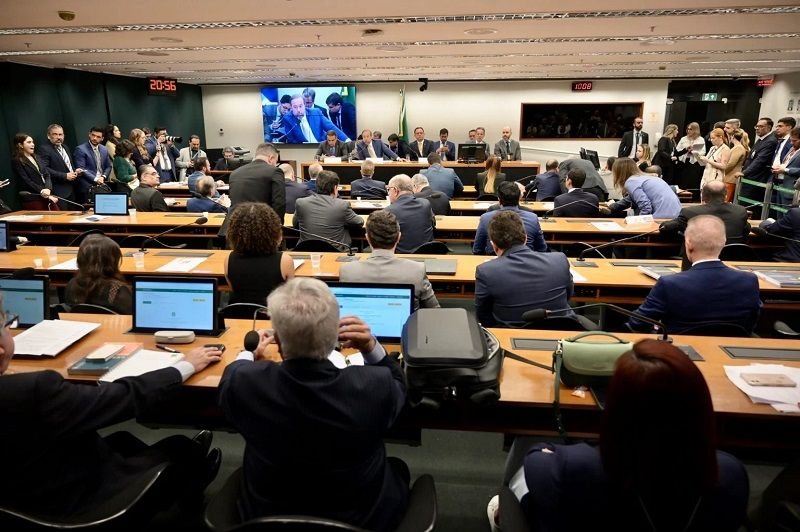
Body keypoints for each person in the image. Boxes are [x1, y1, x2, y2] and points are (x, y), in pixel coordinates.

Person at [0, 294, 224, 522]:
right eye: (8, 325)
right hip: (78, 503)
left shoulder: (22, 390)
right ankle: (191, 489)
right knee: (179, 446)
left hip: (18, 491)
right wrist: (183, 367)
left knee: (123, 440)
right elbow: (122, 397)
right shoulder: (33, 390)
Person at [218, 278, 410, 530]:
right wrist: (371, 348)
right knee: (399, 469)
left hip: (265, 515)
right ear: (336, 335)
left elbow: (234, 371)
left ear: (277, 338)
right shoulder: (375, 385)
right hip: (361, 519)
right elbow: (399, 383)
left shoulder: (245, 384)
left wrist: (249, 353)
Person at [499, 339, 748, 532]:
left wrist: (548, 450)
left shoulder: (565, 466)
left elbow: (533, 469)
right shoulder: (731, 473)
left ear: (615, 406)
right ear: (702, 408)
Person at [628, 215, 761, 333]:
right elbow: (751, 323)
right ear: (724, 242)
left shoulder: (669, 284)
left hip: (680, 354)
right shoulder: (749, 280)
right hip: (733, 352)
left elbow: (637, 323)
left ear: (688, 244)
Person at [475, 210, 572, 327]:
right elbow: (568, 295)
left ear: (493, 244)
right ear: (525, 238)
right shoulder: (560, 260)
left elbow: (483, 315)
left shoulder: (486, 271)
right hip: (562, 332)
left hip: (510, 337)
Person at [340, 210, 439, 310]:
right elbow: (435, 311)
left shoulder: (347, 271)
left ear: (367, 238)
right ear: (399, 237)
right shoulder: (417, 270)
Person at [225, 202, 294, 305]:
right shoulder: (284, 260)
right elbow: (290, 294)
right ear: (272, 230)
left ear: (234, 231)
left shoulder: (229, 259)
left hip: (238, 317)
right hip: (273, 315)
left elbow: (233, 289)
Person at [221, 142, 286, 238]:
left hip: (233, 229)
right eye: (275, 161)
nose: (275, 164)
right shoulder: (275, 171)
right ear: (271, 158)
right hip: (261, 229)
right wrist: (277, 227)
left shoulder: (235, 173)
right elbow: (279, 203)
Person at [661, 181, 750, 245]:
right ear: (726, 195)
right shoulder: (740, 211)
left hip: (699, 258)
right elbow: (746, 229)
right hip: (733, 257)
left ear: (703, 196)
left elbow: (668, 227)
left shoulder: (689, 212)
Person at [293, 170, 363, 251]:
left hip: (306, 249)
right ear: (335, 188)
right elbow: (359, 222)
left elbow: (295, 224)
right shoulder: (342, 205)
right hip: (335, 251)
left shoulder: (301, 203)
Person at [473, 181, 547, 255]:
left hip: (495, 262)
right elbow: (542, 249)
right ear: (519, 198)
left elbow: (477, 250)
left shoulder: (485, 218)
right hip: (526, 262)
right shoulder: (532, 218)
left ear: (499, 199)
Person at [64, 234, 132, 313]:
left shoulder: (72, 284)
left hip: (83, 324)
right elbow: (133, 316)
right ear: (112, 261)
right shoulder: (118, 290)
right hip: (110, 325)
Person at [604, 158, 681, 219]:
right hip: (676, 216)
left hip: (661, 219)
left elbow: (646, 208)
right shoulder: (644, 178)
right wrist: (612, 206)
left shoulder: (631, 182)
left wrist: (637, 226)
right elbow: (629, 199)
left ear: (619, 172)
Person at [385, 174, 435, 253]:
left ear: (395, 190)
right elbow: (433, 224)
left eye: (388, 189)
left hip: (400, 257)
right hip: (426, 254)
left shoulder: (388, 211)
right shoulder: (425, 204)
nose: (388, 193)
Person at [37, 123, 82, 208]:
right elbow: (44, 169)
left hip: (72, 189)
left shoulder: (65, 147)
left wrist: (75, 171)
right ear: (48, 136)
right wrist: (64, 176)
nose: (59, 137)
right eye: (55, 134)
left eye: (60, 134)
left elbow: (68, 166)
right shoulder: (44, 149)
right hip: (59, 191)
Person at [11, 133, 59, 210]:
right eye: (29, 142)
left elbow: (47, 174)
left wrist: (48, 189)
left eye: (33, 142)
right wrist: (41, 190)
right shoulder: (17, 161)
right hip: (33, 198)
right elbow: (25, 180)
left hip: (46, 194)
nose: (32, 144)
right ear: (20, 145)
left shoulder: (37, 157)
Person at [282, 94, 347, 144]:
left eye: (300, 106)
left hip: (321, 146)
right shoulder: (287, 118)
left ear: (304, 105)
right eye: (295, 107)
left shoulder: (315, 112)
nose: (298, 110)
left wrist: (347, 140)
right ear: (291, 107)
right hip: (303, 150)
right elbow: (292, 140)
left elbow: (331, 127)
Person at [73, 125, 111, 202]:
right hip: (87, 185)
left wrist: (103, 177)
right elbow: (81, 169)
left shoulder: (104, 149)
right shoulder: (80, 149)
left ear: (102, 138)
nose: (94, 138)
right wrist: (96, 179)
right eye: (93, 135)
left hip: (102, 184)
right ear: (89, 134)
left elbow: (108, 166)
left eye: (98, 137)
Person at [771, 122, 800, 206]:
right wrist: (778, 168)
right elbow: (787, 163)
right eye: (791, 140)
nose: (791, 143)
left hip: (792, 189)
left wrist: (785, 170)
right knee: (779, 214)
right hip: (780, 185)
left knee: (788, 215)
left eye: (794, 141)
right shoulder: (792, 148)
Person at [675, 122, 706, 193]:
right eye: (688, 129)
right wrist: (685, 150)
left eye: (691, 129)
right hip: (683, 162)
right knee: (682, 179)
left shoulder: (700, 139)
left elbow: (703, 152)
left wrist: (693, 151)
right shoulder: (683, 139)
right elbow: (677, 149)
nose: (688, 131)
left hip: (694, 163)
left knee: (692, 179)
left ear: (695, 130)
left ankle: (692, 196)